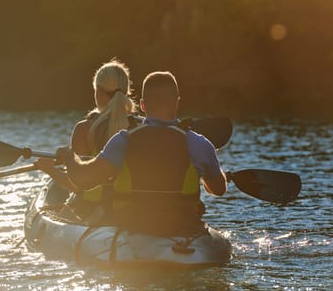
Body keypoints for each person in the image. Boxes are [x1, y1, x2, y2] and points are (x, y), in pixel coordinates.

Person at [56, 71, 227, 236]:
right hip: (183, 228)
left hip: (134, 228)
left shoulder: (123, 140)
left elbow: (84, 180)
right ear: (176, 102)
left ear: (143, 105)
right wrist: (205, 173)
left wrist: (71, 159)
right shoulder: (199, 144)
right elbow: (218, 189)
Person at [35, 59, 138, 197]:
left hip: (90, 207)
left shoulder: (84, 129)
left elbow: (78, 185)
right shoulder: (140, 127)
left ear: (99, 92)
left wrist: (50, 170)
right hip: (125, 207)